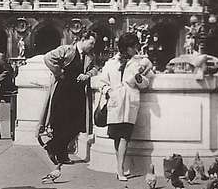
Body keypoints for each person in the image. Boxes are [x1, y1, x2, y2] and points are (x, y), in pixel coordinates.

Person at [92, 32, 152, 180]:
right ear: (126, 47)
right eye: (133, 47)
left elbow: (145, 84)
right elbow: (101, 82)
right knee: (117, 137)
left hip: (129, 102)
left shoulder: (137, 63)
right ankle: (120, 168)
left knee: (125, 136)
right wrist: (108, 91)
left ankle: (120, 169)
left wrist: (139, 79)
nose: (136, 49)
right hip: (115, 102)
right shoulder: (111, 63)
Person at [40, 30, 97, 166]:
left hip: (78, 94)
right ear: (83, 39)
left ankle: (52, 146)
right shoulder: (67, 50)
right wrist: (59, 72)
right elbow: (48, 58)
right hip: (63, 91)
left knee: (77, 125)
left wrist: (87, 75)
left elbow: (95, 69)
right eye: (91, 43)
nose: (92, 46)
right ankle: (62, 154)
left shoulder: (89, 56)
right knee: (61, 124)